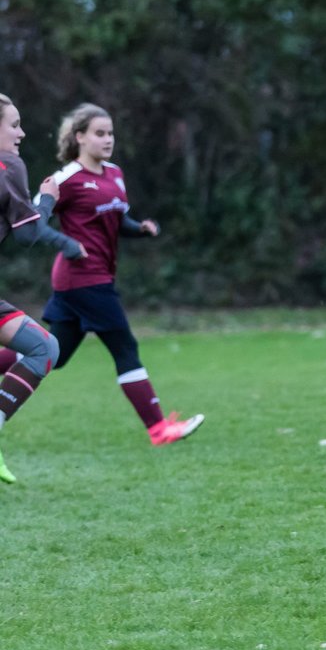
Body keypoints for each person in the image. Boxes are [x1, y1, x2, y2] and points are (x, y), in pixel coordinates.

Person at [0, 103, 204, 447]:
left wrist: (140, 229)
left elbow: (117, 218)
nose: (108, 139)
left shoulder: (115, 174)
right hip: (83, 279)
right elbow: (33, 223)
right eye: (99, 133)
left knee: (52, 353)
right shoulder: (65, 178)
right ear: (79, 137)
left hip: (97, 278)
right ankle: (158, 428)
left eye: (110, 133)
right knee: (126, 347)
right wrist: (67, 243)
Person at [0, 93, 88, 483]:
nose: (22, 132)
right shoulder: (8, 165)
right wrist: (47, 199)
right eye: (14, 124)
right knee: (44, 348)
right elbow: (29, 234)